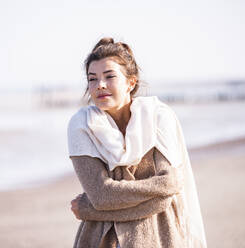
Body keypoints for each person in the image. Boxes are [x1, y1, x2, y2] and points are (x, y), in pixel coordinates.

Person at [67, 37, 207, 248]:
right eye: (92, 79)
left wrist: (89, 210)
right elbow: (102, 195)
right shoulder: (82, 125)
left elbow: (170, 187)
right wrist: (98, 203)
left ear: (131, 82)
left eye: (109, 76)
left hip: (160, 235)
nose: (100, 85)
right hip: (102, 238)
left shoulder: (158, 116)